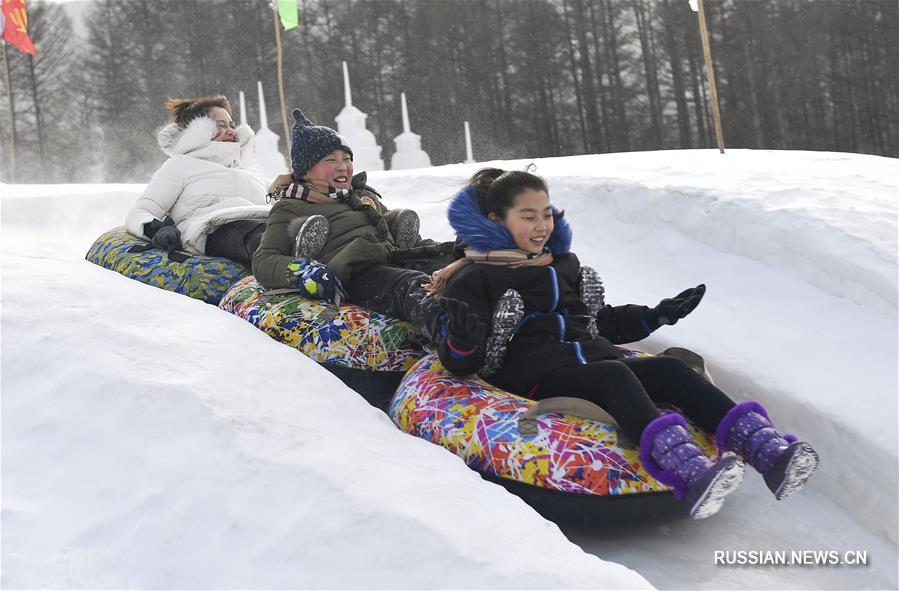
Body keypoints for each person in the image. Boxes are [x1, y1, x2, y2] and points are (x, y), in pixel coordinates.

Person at [430, 167, 819, 519]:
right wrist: (464, 342)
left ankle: (769, 453)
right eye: (528, 216)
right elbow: (461, 361)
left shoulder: (562, 264)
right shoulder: (475, 279)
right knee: (614, 374)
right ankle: (687, 471)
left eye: (547, 214)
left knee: (670, 368)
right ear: (496, 219)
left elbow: (596, 321)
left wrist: (653, 316)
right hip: (534, 373)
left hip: (587, 356)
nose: (541, 225)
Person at [252, 108, 455, 342]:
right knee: (411, 285)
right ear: (306, 171)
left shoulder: (361, 195)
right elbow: (264, 260)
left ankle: (493, 313)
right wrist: (304, 271)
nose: (342, 166)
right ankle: (454, 336)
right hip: (355, 271)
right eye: (330, 160)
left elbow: (414, 243)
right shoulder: (291, 206)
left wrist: (448, 251)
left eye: (346, 159)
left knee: (450, 269)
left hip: (392, 254)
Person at [126, 95, 270, 265]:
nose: (231, 131)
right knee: (261, 237)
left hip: (266, 221)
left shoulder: (250, 173)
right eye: (220, 126)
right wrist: (158, 229)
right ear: (198, 131)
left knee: (288, 227)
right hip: (215, 229)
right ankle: (289, 265)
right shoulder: (181, 165)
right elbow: (141, 211)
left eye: (231, 125)